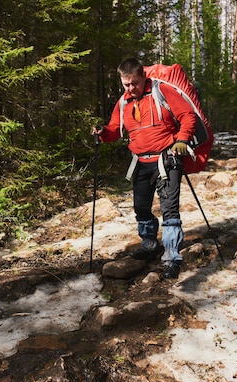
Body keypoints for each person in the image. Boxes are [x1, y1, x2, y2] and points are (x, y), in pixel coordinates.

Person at [92, 58, 197, 279]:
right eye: (126, 85)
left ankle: (171, 258)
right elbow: (114, 130)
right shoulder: (123, 102)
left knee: (169, 210)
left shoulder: (163, 92)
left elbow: (187, 115)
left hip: (167, 159)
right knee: (141, 208)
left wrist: (183, 140)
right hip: (140, 162)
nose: (131, 89)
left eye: (134, 83)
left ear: (143, 77)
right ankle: (149, 245)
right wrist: (103, 133)